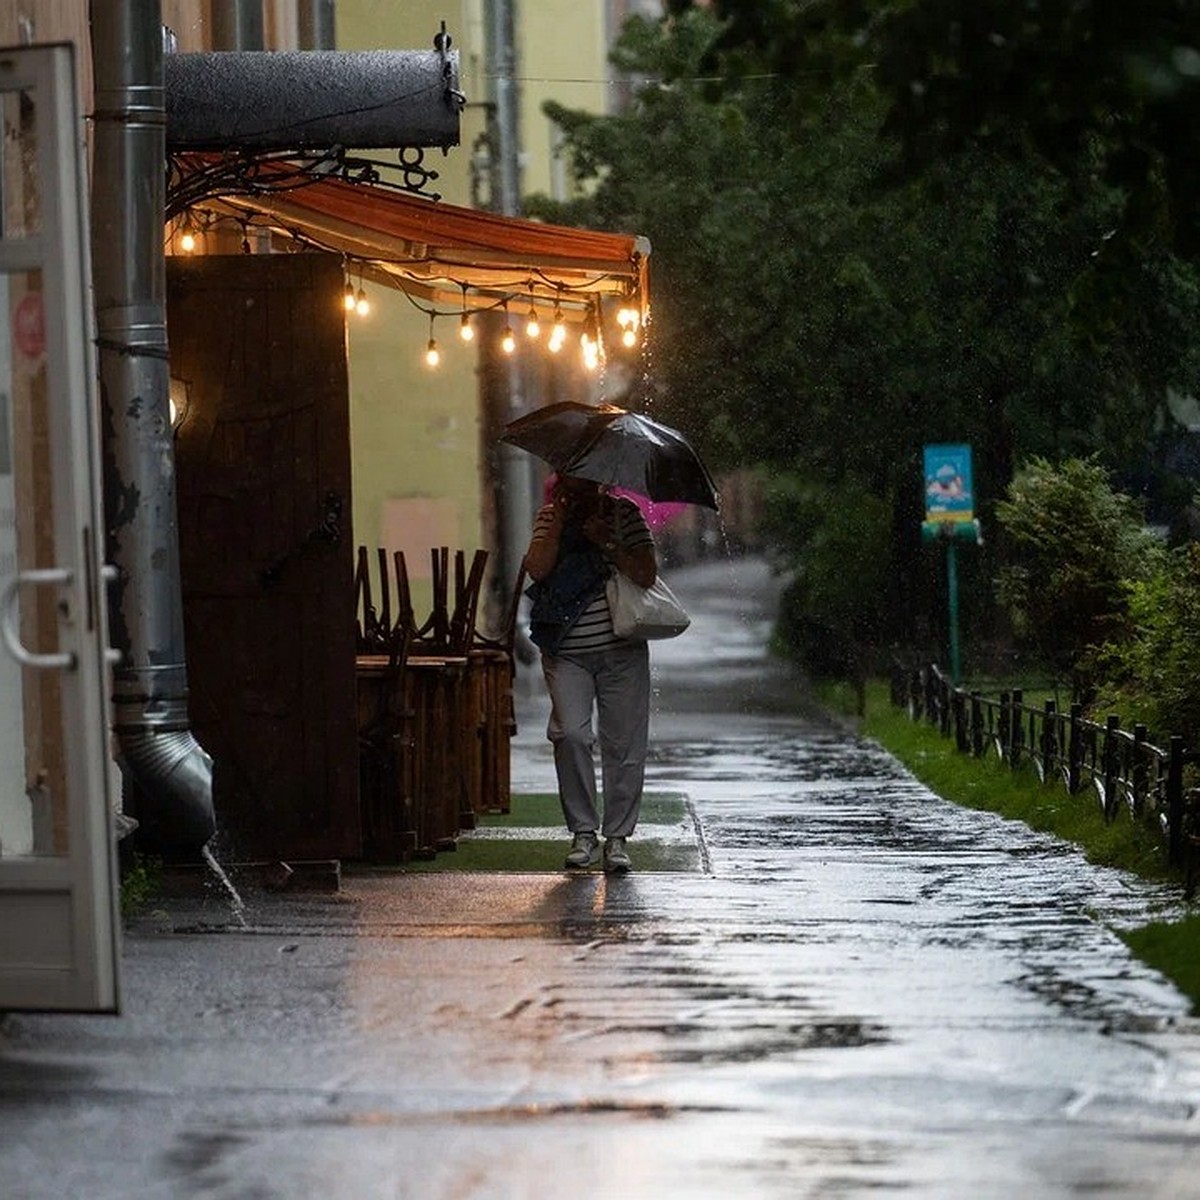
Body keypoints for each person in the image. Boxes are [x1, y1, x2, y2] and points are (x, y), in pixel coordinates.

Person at [523, 473, 657, 873]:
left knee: (624, 745)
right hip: (567, 651)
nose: (580, 489)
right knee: (571, 735)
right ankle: (583, 831)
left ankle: (616, 839)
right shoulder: (551, 517)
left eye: (588, 482)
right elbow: (537, 568)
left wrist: (607, 541)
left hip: (621, 651)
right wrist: (561, 523)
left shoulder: (624, 514)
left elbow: (646, 573)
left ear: (602, 481)